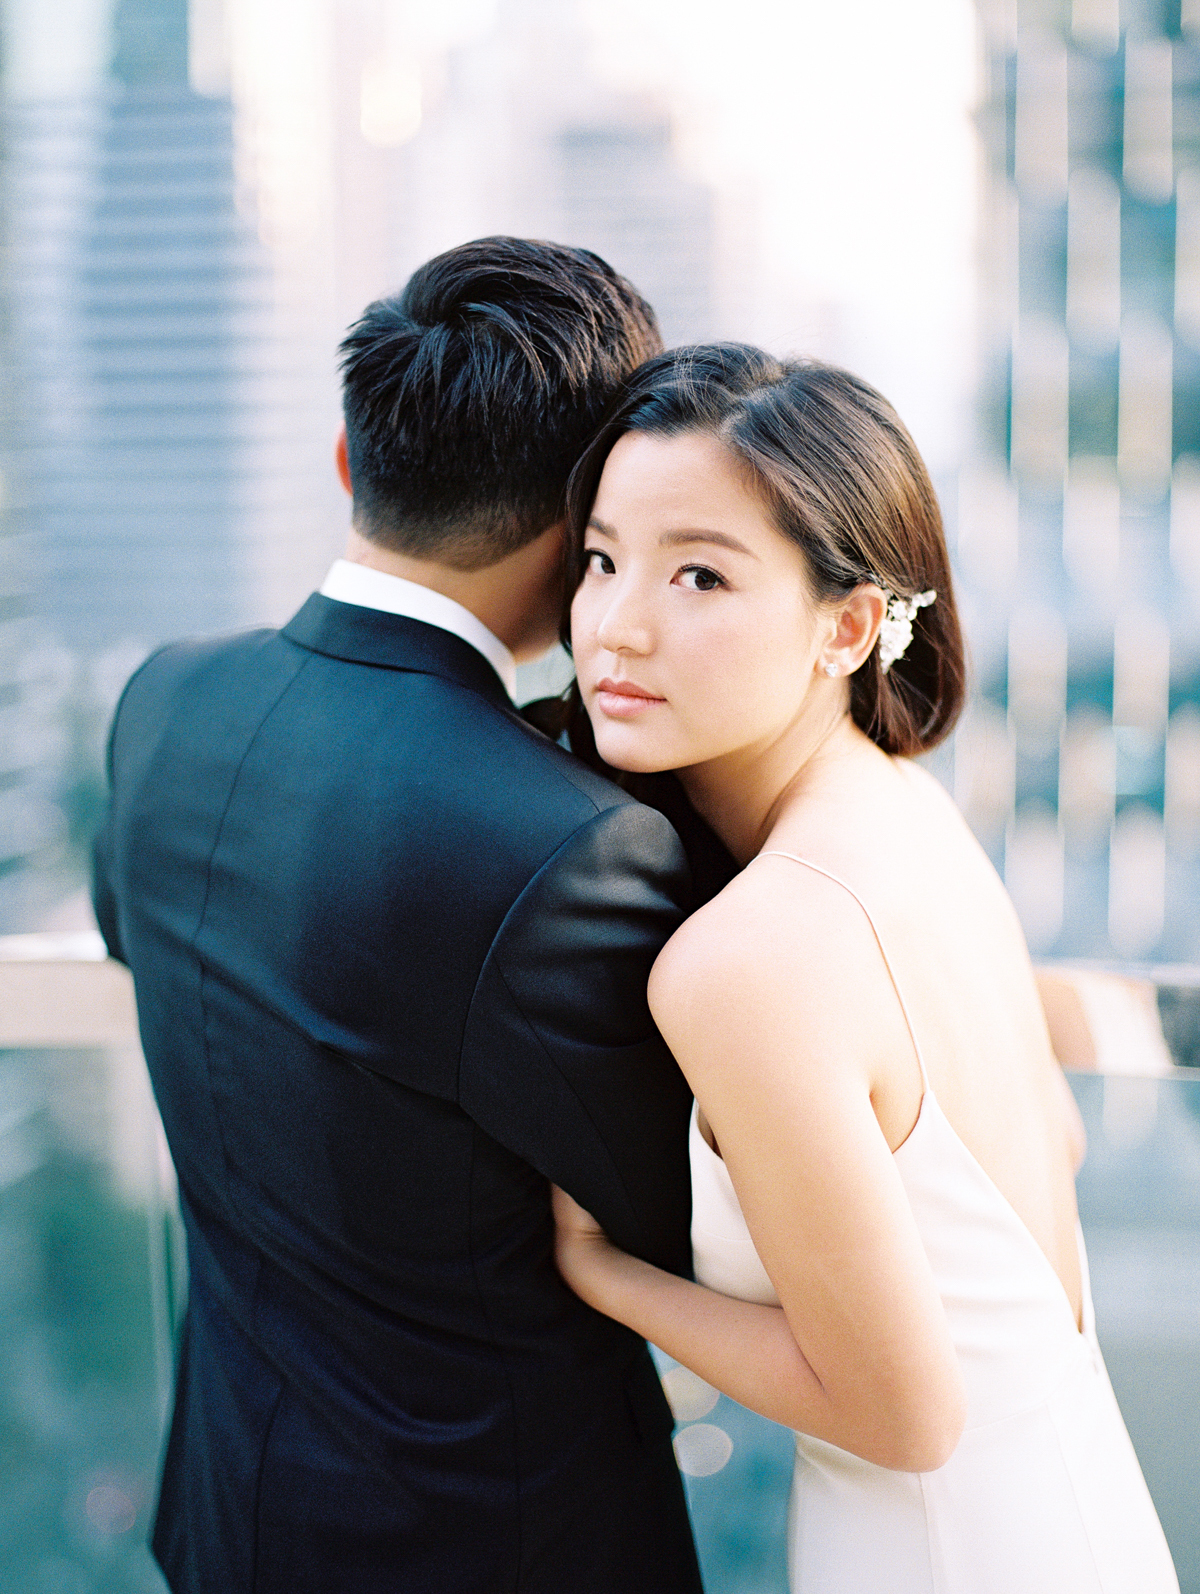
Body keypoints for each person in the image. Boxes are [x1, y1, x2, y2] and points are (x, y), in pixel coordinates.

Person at [91, 239, 712, 1594]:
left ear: (344, 459)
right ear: (585, 507)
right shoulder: (569, 841)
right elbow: (689, 1219)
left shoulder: (163, 706)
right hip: (494, 1544)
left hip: (232, 1513)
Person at [553, 344, 1180, 1593]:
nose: (618, 623)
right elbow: (1044, 1134)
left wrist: (599, 1272)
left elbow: (905, 1415)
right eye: (603, 558)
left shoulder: (746, 958)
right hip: (1080, 1506)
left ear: (847, 625)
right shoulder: (904, 811)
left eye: (699, 574)